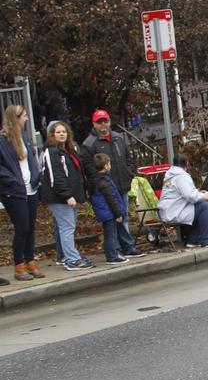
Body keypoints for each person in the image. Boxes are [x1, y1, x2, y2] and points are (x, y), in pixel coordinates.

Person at [79, 108, 142, 258]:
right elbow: (88, 167)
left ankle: (127, 246)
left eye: (105, 121)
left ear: (109, 121)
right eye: (99, 122)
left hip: (122, 183)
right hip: (105, 187)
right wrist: (100, 183)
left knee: (123, 215)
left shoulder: (118, 137)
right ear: (94, 124)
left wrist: (129, 173)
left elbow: (128, 158)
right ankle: (116, 249)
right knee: (113, 218)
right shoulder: (89, 144)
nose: (103, 125)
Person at [40, 121, 93, 271]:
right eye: (58, 132)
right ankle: (71, 259)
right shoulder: (51, 152)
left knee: (68, 226)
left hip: (70, 196)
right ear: (52, 135)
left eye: (64, 131)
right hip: (59, 197)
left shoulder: (69, 150)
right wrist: (67, 195)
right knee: (67, 227)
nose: (62, 134)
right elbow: (56, 177)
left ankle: (70, 255)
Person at [0, 104, 42, 283]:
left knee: (31, 226)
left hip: (30, 188)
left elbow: (31, 159)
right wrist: (12, 180)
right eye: (23, 116)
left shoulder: (24, 137)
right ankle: (19, 264)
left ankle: (30, 259)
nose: (26, 119)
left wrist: (36, 176)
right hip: (14, 190)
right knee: (22, 227)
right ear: (15, 119)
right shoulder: (3, 140)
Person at [158, 154, 208, 248]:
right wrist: (204, 195)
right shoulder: (181, 176)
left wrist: (199, 193)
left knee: (200, 207)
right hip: (175, 211)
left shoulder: (171, 176)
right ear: (186, 163)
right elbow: (190, 196)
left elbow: (185, 193)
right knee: (205, 206)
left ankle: (193, 240)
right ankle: (207, 239)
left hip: (170, 210)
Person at [90, 153, 132, 264]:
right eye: (109, 163)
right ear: (106, 166)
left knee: (110, 233)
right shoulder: (104, 181)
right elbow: (111, 199)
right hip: (109, 212)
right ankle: (112, 256)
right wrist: (118, 213)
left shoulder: (97, 179)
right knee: (111, 234)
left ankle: (113, 253)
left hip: (105, 212)